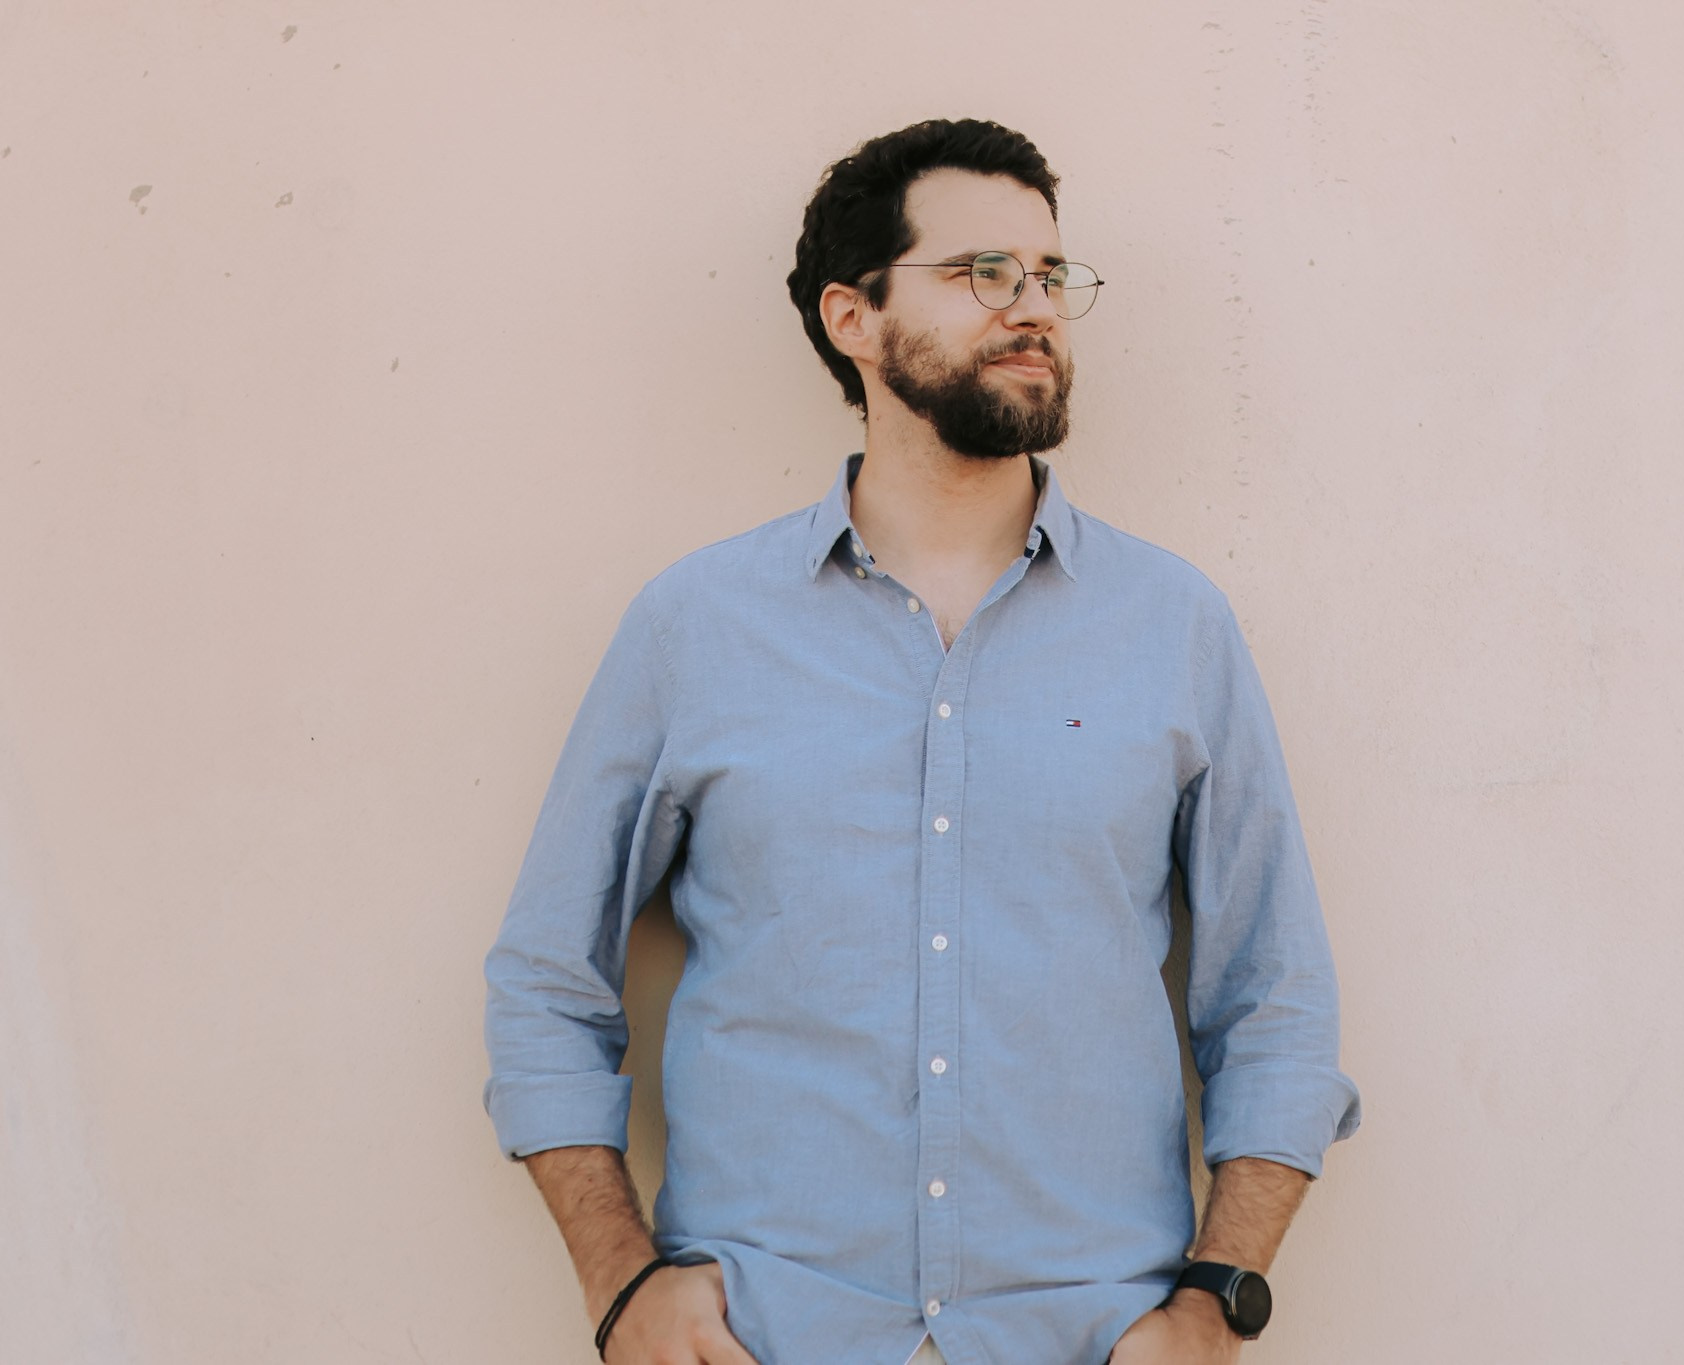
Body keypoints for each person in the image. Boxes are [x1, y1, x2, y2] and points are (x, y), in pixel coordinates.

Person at [482, 117, 1361, 1365]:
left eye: (1050, 276)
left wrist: (1213, 1309)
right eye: (979, 273)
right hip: (773, 1334)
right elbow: (545, 985)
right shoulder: (698, 626)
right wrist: (621, 1287)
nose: (1032, 308)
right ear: (851, 317)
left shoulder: (1174, 628)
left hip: (1085, 1336)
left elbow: (1273, 1002)